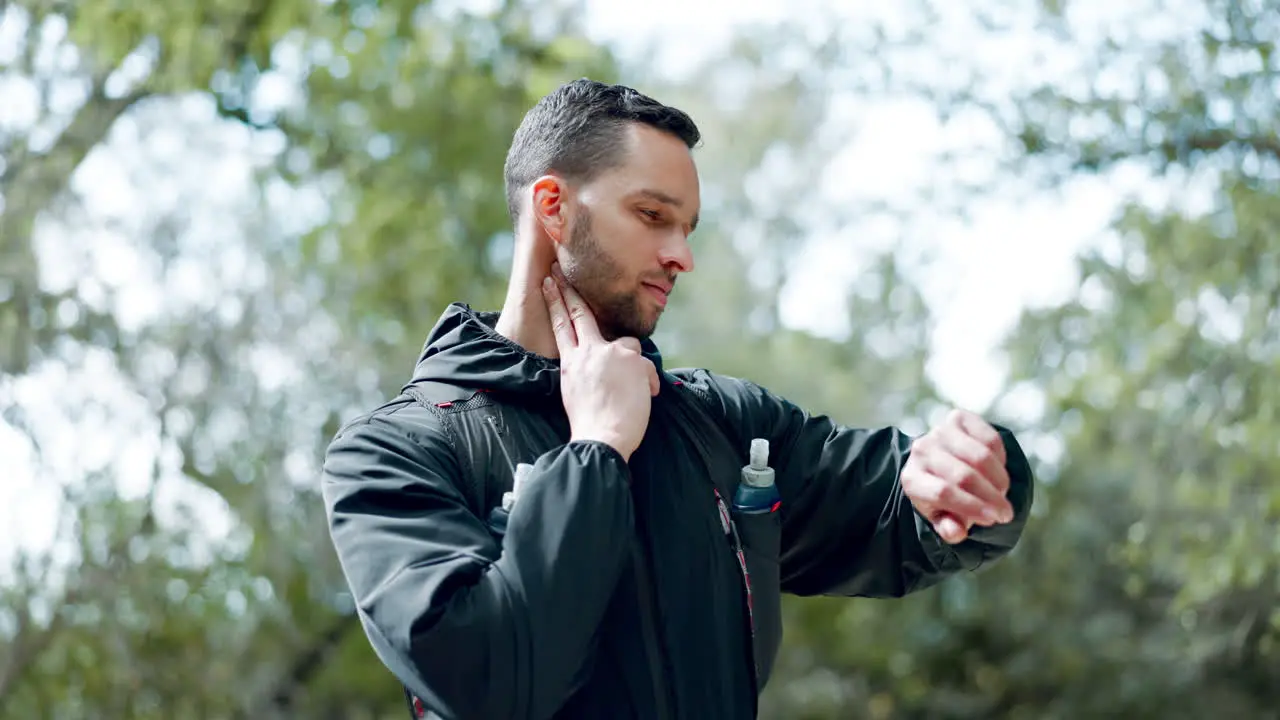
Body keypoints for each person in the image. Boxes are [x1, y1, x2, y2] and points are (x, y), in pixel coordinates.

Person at [319, 78, 1035, 720]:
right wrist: (595, 450)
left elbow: (894, 510)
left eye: (687, 228)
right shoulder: (390, 457)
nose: (681, 256)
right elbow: (496, 683)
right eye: (653, 216)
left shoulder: (718, 423)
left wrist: (978, 468)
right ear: (553, 209)